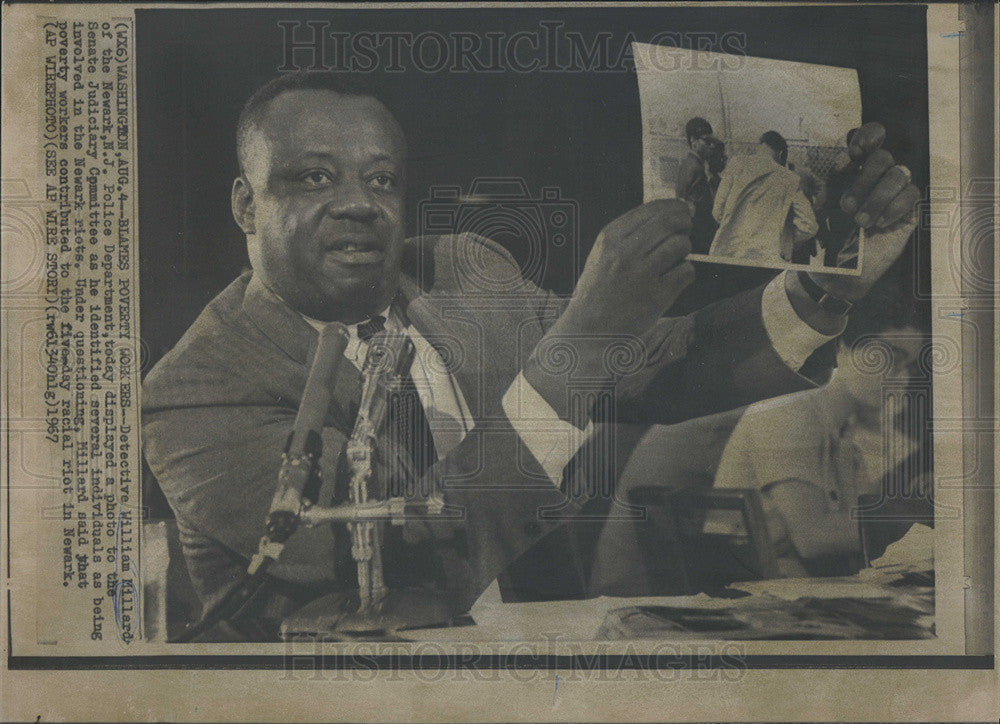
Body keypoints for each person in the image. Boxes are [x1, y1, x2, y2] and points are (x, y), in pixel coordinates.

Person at [141, 71, 920, 639]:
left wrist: (830, 287)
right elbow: (403, 569)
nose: (357, 202)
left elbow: (659, 366)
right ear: (246, 203)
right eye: (314, 177)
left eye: (381, 178)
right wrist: (579, 344)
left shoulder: (459, 268)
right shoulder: (194, 390)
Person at [712, 280, 931, 576]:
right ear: (842, 349)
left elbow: (860, 522)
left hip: (795, 589)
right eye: (889, 358)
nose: (901, 378)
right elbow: (814, 538)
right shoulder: (786, 414)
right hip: (752, 593)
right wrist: (932, 521)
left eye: (908, 366)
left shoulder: (846, 432)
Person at [710, 131, 819, 264]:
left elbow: (717, 212)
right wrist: (784, 241)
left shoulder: (735, 164)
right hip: (767, 258)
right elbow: (809, 226)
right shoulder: (789, 179)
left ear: (761, 146)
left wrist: (734, 228)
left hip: (728, 254)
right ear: (781, 154)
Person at [674, 117, 719, 253]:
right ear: (693, 140)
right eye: (707, 141)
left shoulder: (690, 164)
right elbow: (694, 208)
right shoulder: (694, 168)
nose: (712, 146)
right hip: (698, 238)